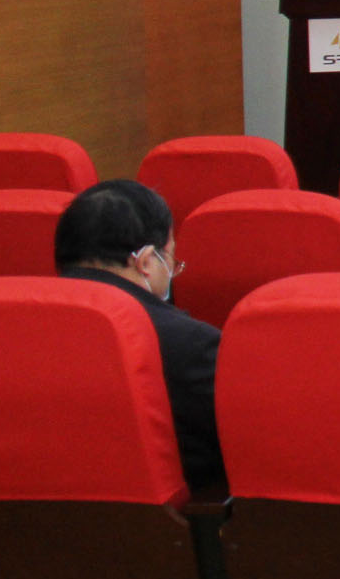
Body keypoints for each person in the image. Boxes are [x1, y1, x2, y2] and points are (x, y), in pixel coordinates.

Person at [52, 180, 223, 490]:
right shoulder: (192, 344)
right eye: (171, 260)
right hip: (157, 515)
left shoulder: (6, 333)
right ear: (145, 261)